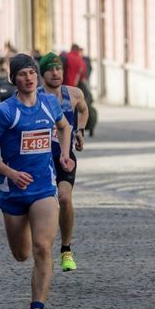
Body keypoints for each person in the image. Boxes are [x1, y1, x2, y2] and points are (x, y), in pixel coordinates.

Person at [0, 53, 75, 309]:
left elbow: (64, 127)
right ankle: (29, 229)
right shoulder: (4, 112)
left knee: (43, 247)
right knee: (21, 254)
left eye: (32, 72)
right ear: (14, 79)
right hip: (14, 192)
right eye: (22, 74)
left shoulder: (49, 103)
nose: (29, 77)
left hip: (44, 188)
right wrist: (11, 173)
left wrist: (65, 155)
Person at [38, 52, 88, 272]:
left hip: (65, 157)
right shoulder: (35, 97)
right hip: (40, 160)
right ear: (42, 74)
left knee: (65, 199)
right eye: (50, 69)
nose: (55, 73)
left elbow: (84, 110)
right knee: (43, 205)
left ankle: (66, 249)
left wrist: (80, 131)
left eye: (58, 68)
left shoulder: (74, 94)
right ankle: (42, 247)